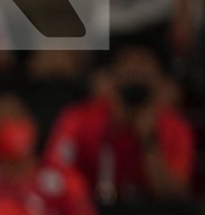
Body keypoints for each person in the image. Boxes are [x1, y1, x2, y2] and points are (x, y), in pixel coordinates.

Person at [46, 43, 194, 202]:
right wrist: (113, 124)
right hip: (91, 208)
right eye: (129, 75)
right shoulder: (79, 118)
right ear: (110, 80)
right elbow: (54, 174)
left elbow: (174, 193)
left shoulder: (174, 126)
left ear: (161, 83)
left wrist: (149, 141)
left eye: (143, 77)